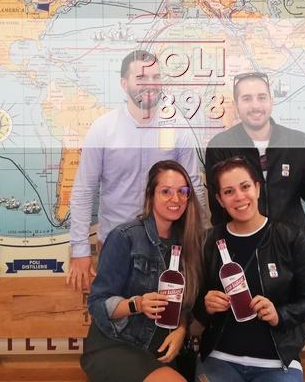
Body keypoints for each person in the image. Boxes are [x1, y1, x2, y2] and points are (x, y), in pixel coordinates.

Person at [67, 50, 207, 291]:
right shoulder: (103, 129)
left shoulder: (178, 127)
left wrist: (200, 241)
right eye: (141, 77)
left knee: (167, 312)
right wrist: (80, 250)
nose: (150, 84)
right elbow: (84, 190)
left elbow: (193, 187)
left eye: (155, 77)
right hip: (116, 244)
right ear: (124, 83)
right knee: (115, 310)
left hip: (168, 245)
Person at [195, 157, 305, 380]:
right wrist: (206, 305)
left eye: (245, 187)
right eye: (229, 191)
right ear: (220, 200)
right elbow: (194, 306)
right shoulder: (209, 241)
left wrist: (279, 315)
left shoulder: (290, 237)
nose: (239, 197)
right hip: (220, 358)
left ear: (257, 188)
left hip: (277, 362)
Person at [82, 160, 203, 382]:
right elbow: (97, 303)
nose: (176, 199)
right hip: (116, 346)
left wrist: (181, 330)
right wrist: (136, 304)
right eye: (166, 191)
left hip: (159, 351)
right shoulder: (125, 236)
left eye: (182, 191)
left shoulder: (189, 243)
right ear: (150, 195)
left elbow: (185, 307)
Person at [205, 72, 305, 240]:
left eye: (262, 97)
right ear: (236, 106)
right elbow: (218, 207)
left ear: (271, 101)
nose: (255, 105)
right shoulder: (220, 146)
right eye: (247, 99)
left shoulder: (296, 140)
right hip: (242, 246)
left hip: (292, 244)